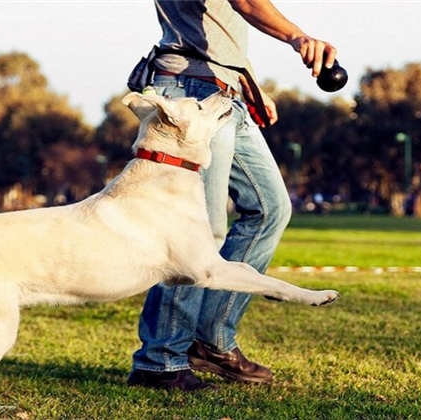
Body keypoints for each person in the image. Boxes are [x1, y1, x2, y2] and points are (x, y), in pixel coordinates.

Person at [127, 0, 339, 391]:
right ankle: (160, 360)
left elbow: (217, 25)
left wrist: (247, 82)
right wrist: (298, 37)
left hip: (224, 93)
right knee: (199, 234)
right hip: (191, 92)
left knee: (269, 208)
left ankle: (210, 341)